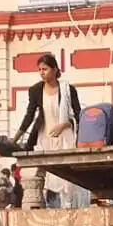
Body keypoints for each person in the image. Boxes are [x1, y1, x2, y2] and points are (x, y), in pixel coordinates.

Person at [15, 53, 89, 209]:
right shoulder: (36, 90)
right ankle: (52, 208)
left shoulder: (67, 89)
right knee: (49, 177)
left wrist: (65, 124)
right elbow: (30, 115)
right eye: (40, 69)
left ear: (55, 70)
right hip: (46, 138)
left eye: (45, 69)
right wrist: (16, 138)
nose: (42, 72)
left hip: (66, 137)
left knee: (67, 178)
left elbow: (78, 114)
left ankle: (69, 208)